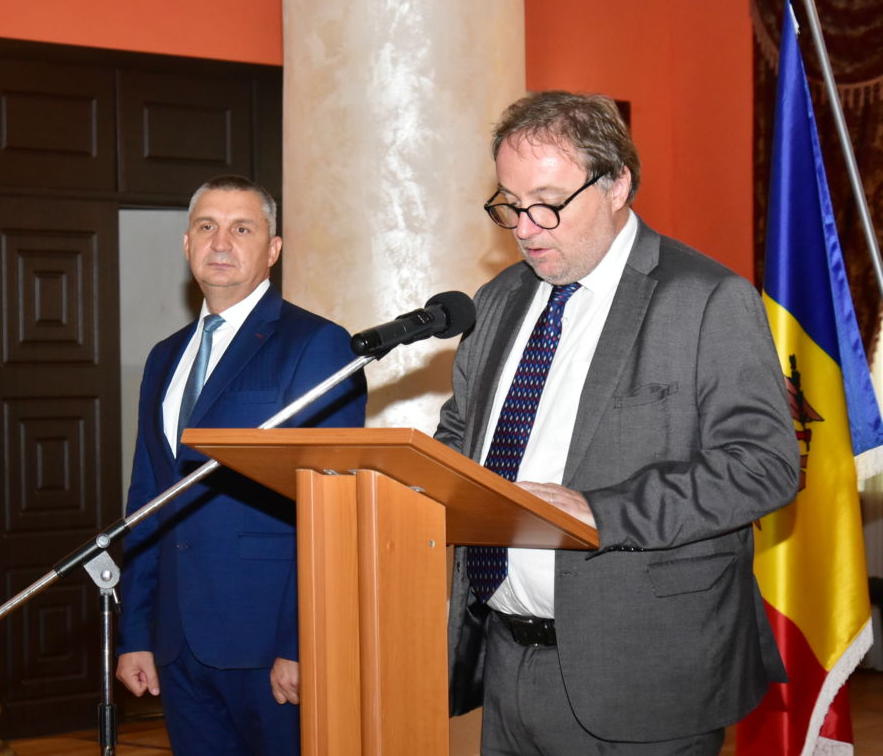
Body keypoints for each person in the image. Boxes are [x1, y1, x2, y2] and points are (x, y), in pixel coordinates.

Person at [437, 92, 799, 755]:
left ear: (616, 184)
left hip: (645, 673)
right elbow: (462, 435)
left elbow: (764, 465)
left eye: (548, 202)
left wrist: (599, 511)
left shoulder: (706, 299)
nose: (525, 227)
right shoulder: (499, 299)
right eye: (510, 204)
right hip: (505, 660)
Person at [115, 175, 367, 756]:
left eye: (242, 229)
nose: (221, 242)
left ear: (273, 249)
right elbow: (146, 500)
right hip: (176, 642)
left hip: (268, 642)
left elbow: (329, 507)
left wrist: (300, 642)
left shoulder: (317, 345)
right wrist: (136, 633)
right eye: (207, 227)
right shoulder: (164, 357)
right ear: (187, 244)